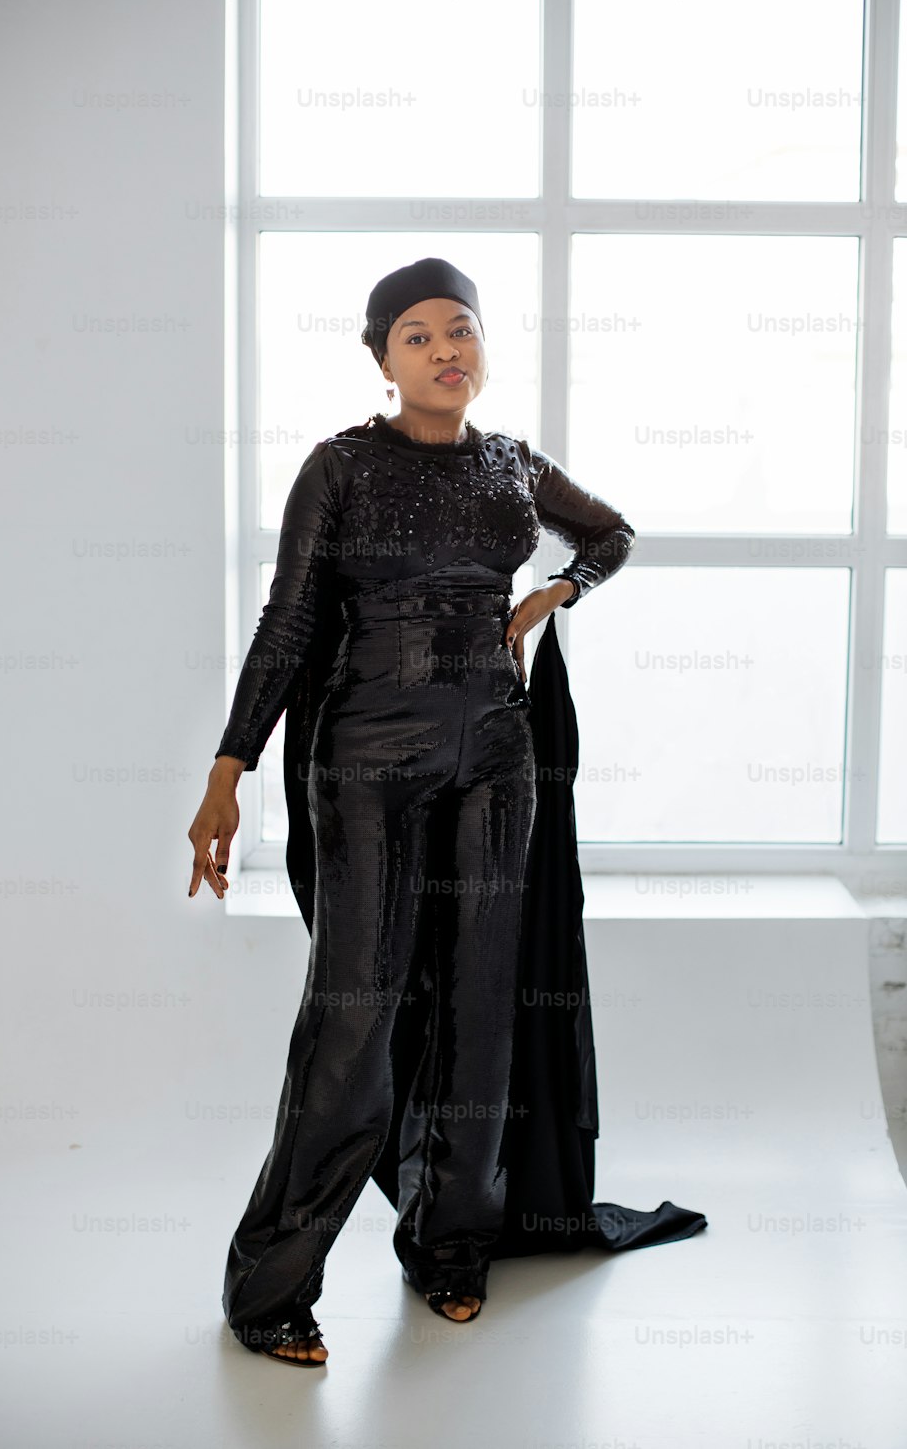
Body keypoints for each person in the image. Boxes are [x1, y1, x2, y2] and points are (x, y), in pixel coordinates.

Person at [188, 258, 707, 1367]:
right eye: (416, 335)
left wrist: (559, 590)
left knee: (479, 1008)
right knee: (355, 1014)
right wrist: (230, 768)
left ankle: (450, 1245)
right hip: (366, 756)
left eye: (459, 329)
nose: (443, 350)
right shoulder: (339, 467)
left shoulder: (514, 466)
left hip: (496, 756)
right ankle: (270, 1285)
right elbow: (287, 625)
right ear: (382, 359)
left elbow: (612, 531)